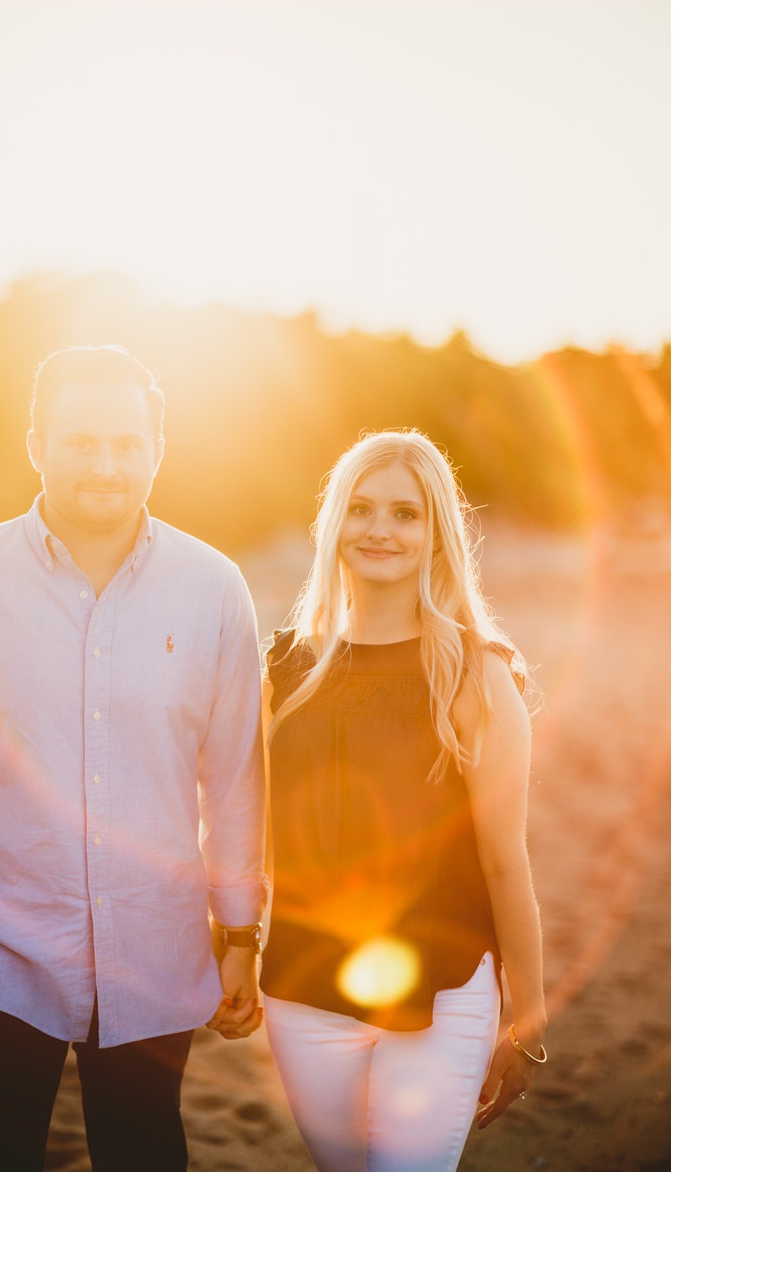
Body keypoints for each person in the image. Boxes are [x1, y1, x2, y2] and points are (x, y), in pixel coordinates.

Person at [0, 344, 268, 1172]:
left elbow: (236, 779)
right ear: (36, 444)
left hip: (159, 953)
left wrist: (242, 931)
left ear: (158, 450)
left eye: (128, 444)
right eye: (81, 440)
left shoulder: (214, 589)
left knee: (144, 1166)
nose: (106, 464)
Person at [259, 429, 547, 1172]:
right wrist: (231, 946)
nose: (380, 529)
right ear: (334, 526)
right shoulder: (285, 669)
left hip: (444, 996)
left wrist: (528, 1023)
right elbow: (244, 832)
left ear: (436, 534)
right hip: (302, 992)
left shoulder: (475, 676)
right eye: (360, 509)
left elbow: (505, 864)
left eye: (405, 513)